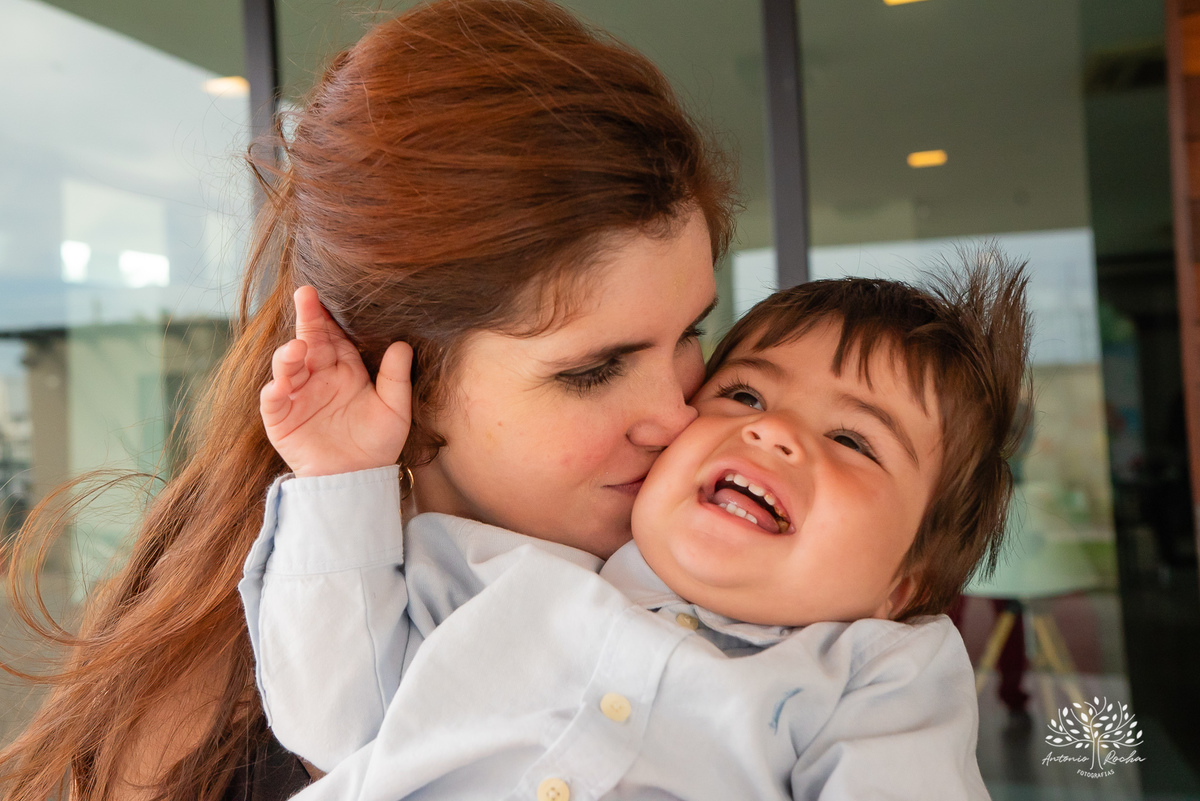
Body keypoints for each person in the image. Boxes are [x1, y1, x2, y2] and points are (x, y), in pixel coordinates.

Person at [0, 2, 735, 799]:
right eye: (592, 371)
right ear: (403, 378)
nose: (681, 413)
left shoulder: (769, 558)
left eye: (692, 332)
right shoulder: (231, 720)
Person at [242, 254, 1030, 799]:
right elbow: (332, 716)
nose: (774, 433)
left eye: (854, 440)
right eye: (747, 395)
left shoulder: (875, 674)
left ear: (906, 583)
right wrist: (342, 477)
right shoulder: (492, 568)